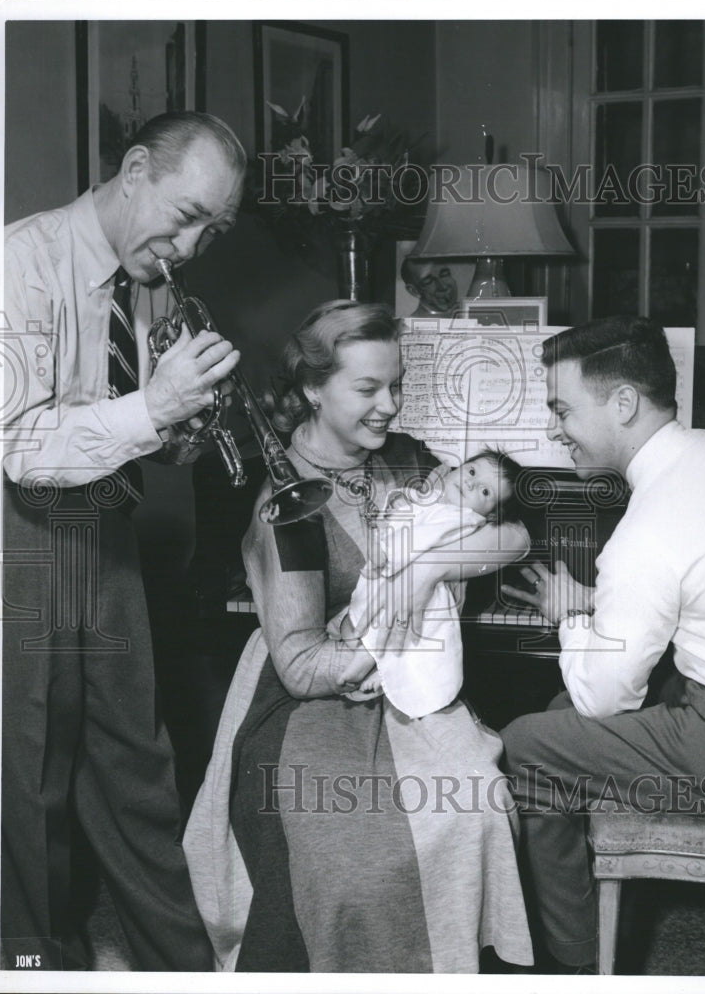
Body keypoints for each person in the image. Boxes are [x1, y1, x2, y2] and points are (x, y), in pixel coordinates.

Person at [183, 300, 535, 973]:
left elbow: (514, 534)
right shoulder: (285, 504)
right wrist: (374, 650)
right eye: (368, 388)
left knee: (475, 802)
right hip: (310, 705)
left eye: (396, 385)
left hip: (405, 683)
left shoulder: (404, 459)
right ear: (313, 388)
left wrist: (429, 566)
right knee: (353, 862)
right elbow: (299, 666)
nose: (389, 405)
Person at [2, 111, 246, 970]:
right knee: (26, 772)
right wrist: (154, 407)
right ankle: (35, 965)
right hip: (14, 536)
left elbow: (140, 434)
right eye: (186, 217)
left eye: (210, 232)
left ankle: (180, 966)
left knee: (138, 761)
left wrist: (184, 420)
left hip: (102, 523)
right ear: (135, 167)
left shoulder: (153, 283)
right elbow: (18, 448)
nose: (190, 247)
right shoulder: (16, 262)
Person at [499, 317, 705, 974]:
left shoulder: (646, 529)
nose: (552, 429)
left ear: (622, 403)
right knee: (564, 699)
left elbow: (603, 700)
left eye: (562, 409)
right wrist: (605, 608)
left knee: (527, 744)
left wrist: (569, 612)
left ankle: (575, 966)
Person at [342, 450, 525, 718]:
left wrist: (391, 547)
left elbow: (417, 541)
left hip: (425, 591)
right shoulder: (433, 494)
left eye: (485, 492)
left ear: (492, 515)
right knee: (376, 603)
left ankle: (370, 659)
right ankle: (380, 667)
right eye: (472, 472)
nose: (471, 484)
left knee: (407, 611)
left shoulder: (464, 518)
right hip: (391, 572)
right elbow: (401, 516)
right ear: (453, 469)